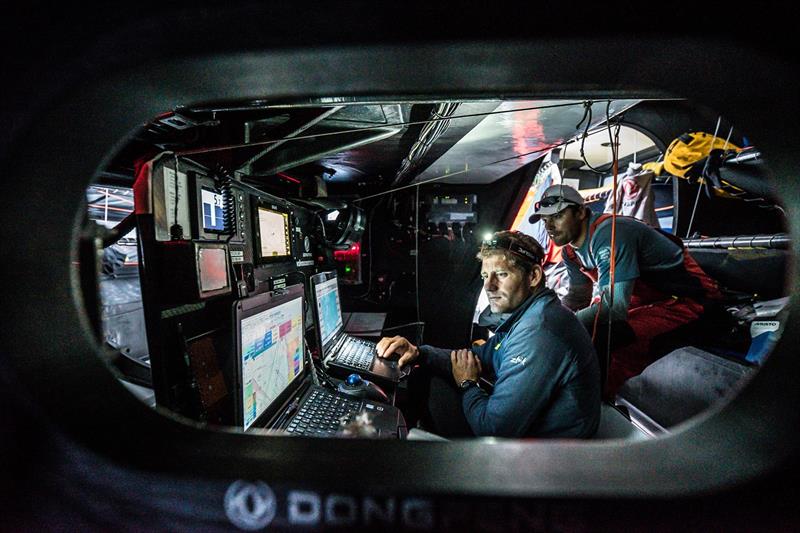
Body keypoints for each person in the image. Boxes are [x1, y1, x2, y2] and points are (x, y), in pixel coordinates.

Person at [376, 230, 600, 439]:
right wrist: (419, 353)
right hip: (536, 441)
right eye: (485, 275)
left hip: (546, 460)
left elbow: (494, 429)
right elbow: (479, 356)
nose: (489, 286)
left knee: (426, 385)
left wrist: (468, 384)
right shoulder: (530, 316)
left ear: (533, 276)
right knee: (425, 373)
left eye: (501, 274)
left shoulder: (539, 332)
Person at [531, 184, 721, 397]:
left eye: (557, 216)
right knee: (576, 334)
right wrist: (548, 320)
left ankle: (601, 402)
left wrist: (563, 326)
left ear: (581, 212)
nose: (549, 226)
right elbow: (578, 297)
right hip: (642, 302)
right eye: (544, 220)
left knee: (602, 338)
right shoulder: (570, 252)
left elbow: (614, 307)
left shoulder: (610, 234)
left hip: (689, 301)